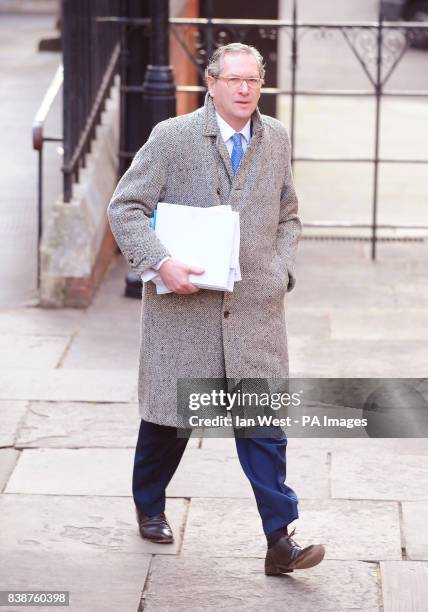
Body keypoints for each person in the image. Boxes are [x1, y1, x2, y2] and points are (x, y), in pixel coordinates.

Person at [107, 42, 325, 575]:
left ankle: (281, 540)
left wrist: (281, 269)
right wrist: (160, 263)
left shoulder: (276, 138)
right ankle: (150, 504)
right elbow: (126, 207)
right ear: (211, 83)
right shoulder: (173, 137)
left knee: (263, 430)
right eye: (234, 80)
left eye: (253, 80)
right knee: (168, 424)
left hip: (255, 311)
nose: (245, 89)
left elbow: (289, 215)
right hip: (184, 314)